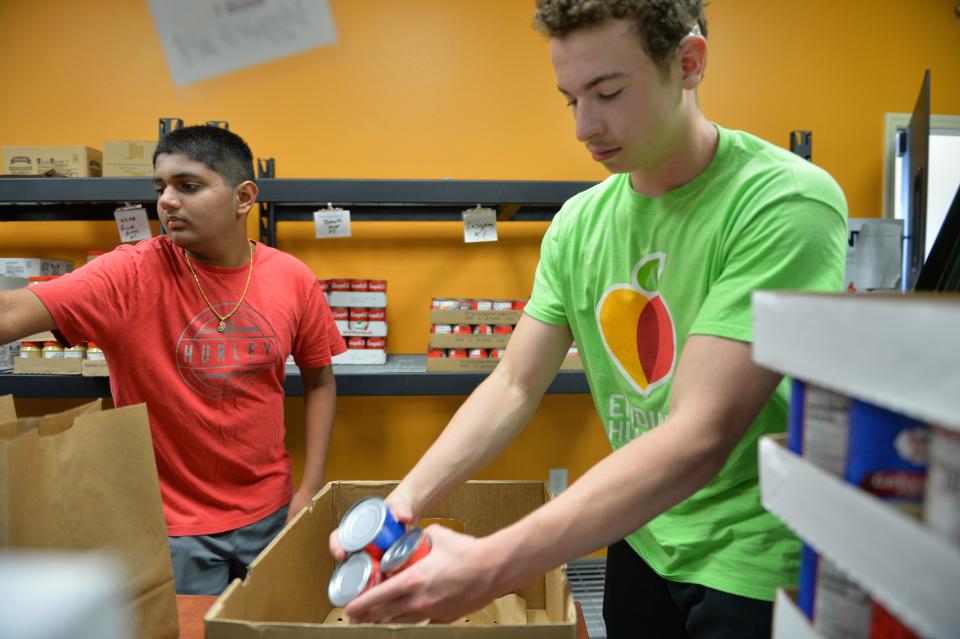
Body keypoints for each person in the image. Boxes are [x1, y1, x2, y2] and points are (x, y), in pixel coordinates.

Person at [330, 1, 847, 636]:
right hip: (640, 528)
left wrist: (491, 564)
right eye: (570, 99)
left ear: (688, 63)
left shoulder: (782, 201)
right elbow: (513, 385)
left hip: (751, 556)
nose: (583, 126)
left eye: (607, 92)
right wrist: (404, 501)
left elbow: (700, 436)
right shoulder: (579, 224)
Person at [0, 125, 346, 595]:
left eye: (188, 185)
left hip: (272, 512)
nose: (166, 201)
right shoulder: (128, 272)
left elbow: (320, 380)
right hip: (170, 528)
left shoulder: (291, 278)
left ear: (243, 198)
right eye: (159, 187)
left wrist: (308, 490)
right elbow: (11, 312)